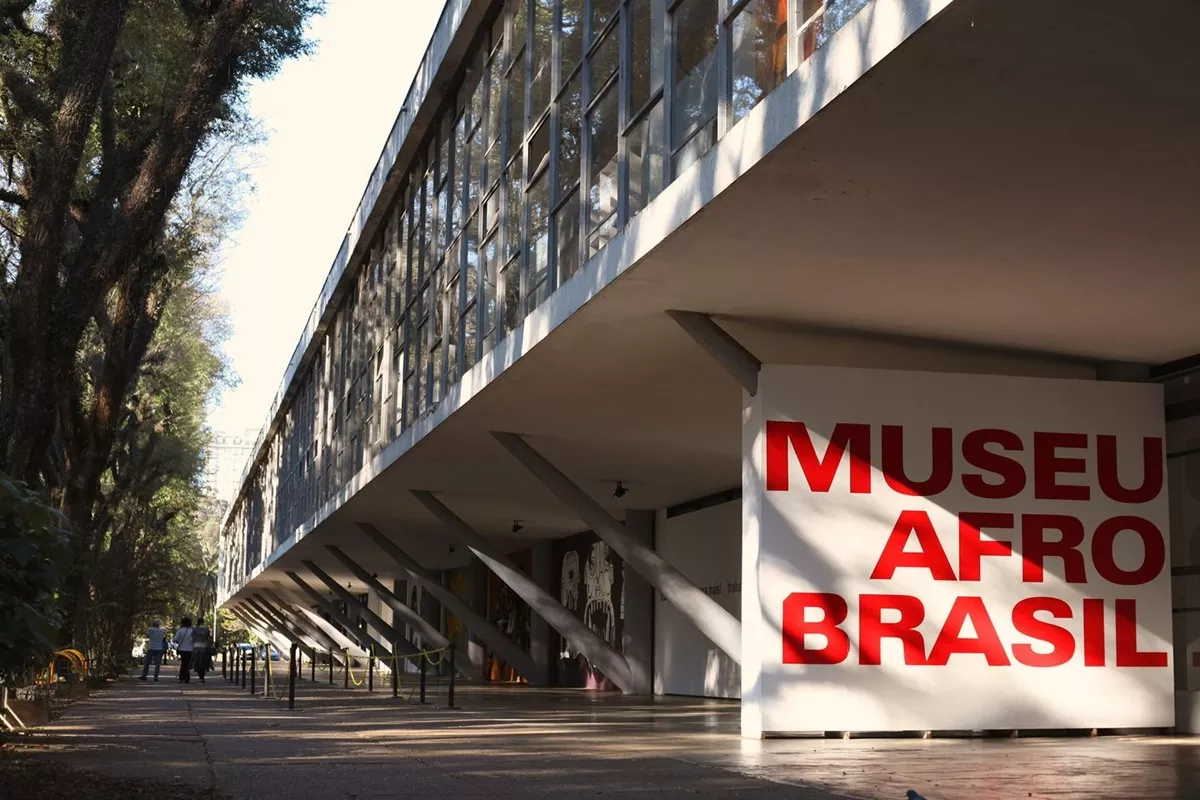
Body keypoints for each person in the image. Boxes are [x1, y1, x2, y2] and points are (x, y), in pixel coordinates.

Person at [173, 616, 195, 683]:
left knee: (183, 663)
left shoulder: (180, 631)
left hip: (182, 649)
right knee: (187, 663)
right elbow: (194, 640)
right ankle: (186, 677)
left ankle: (182, 677)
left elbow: (175, 639)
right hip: (190, 650)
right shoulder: (192, 631)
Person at [192, 616, 212, 684]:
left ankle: (200, 676)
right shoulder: (206, 629)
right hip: (204, 647)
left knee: (197, 662)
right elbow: (208, 638)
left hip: (196, 647)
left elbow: (192, 638)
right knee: (204, 662)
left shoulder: (194, 629)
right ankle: (202, 676)